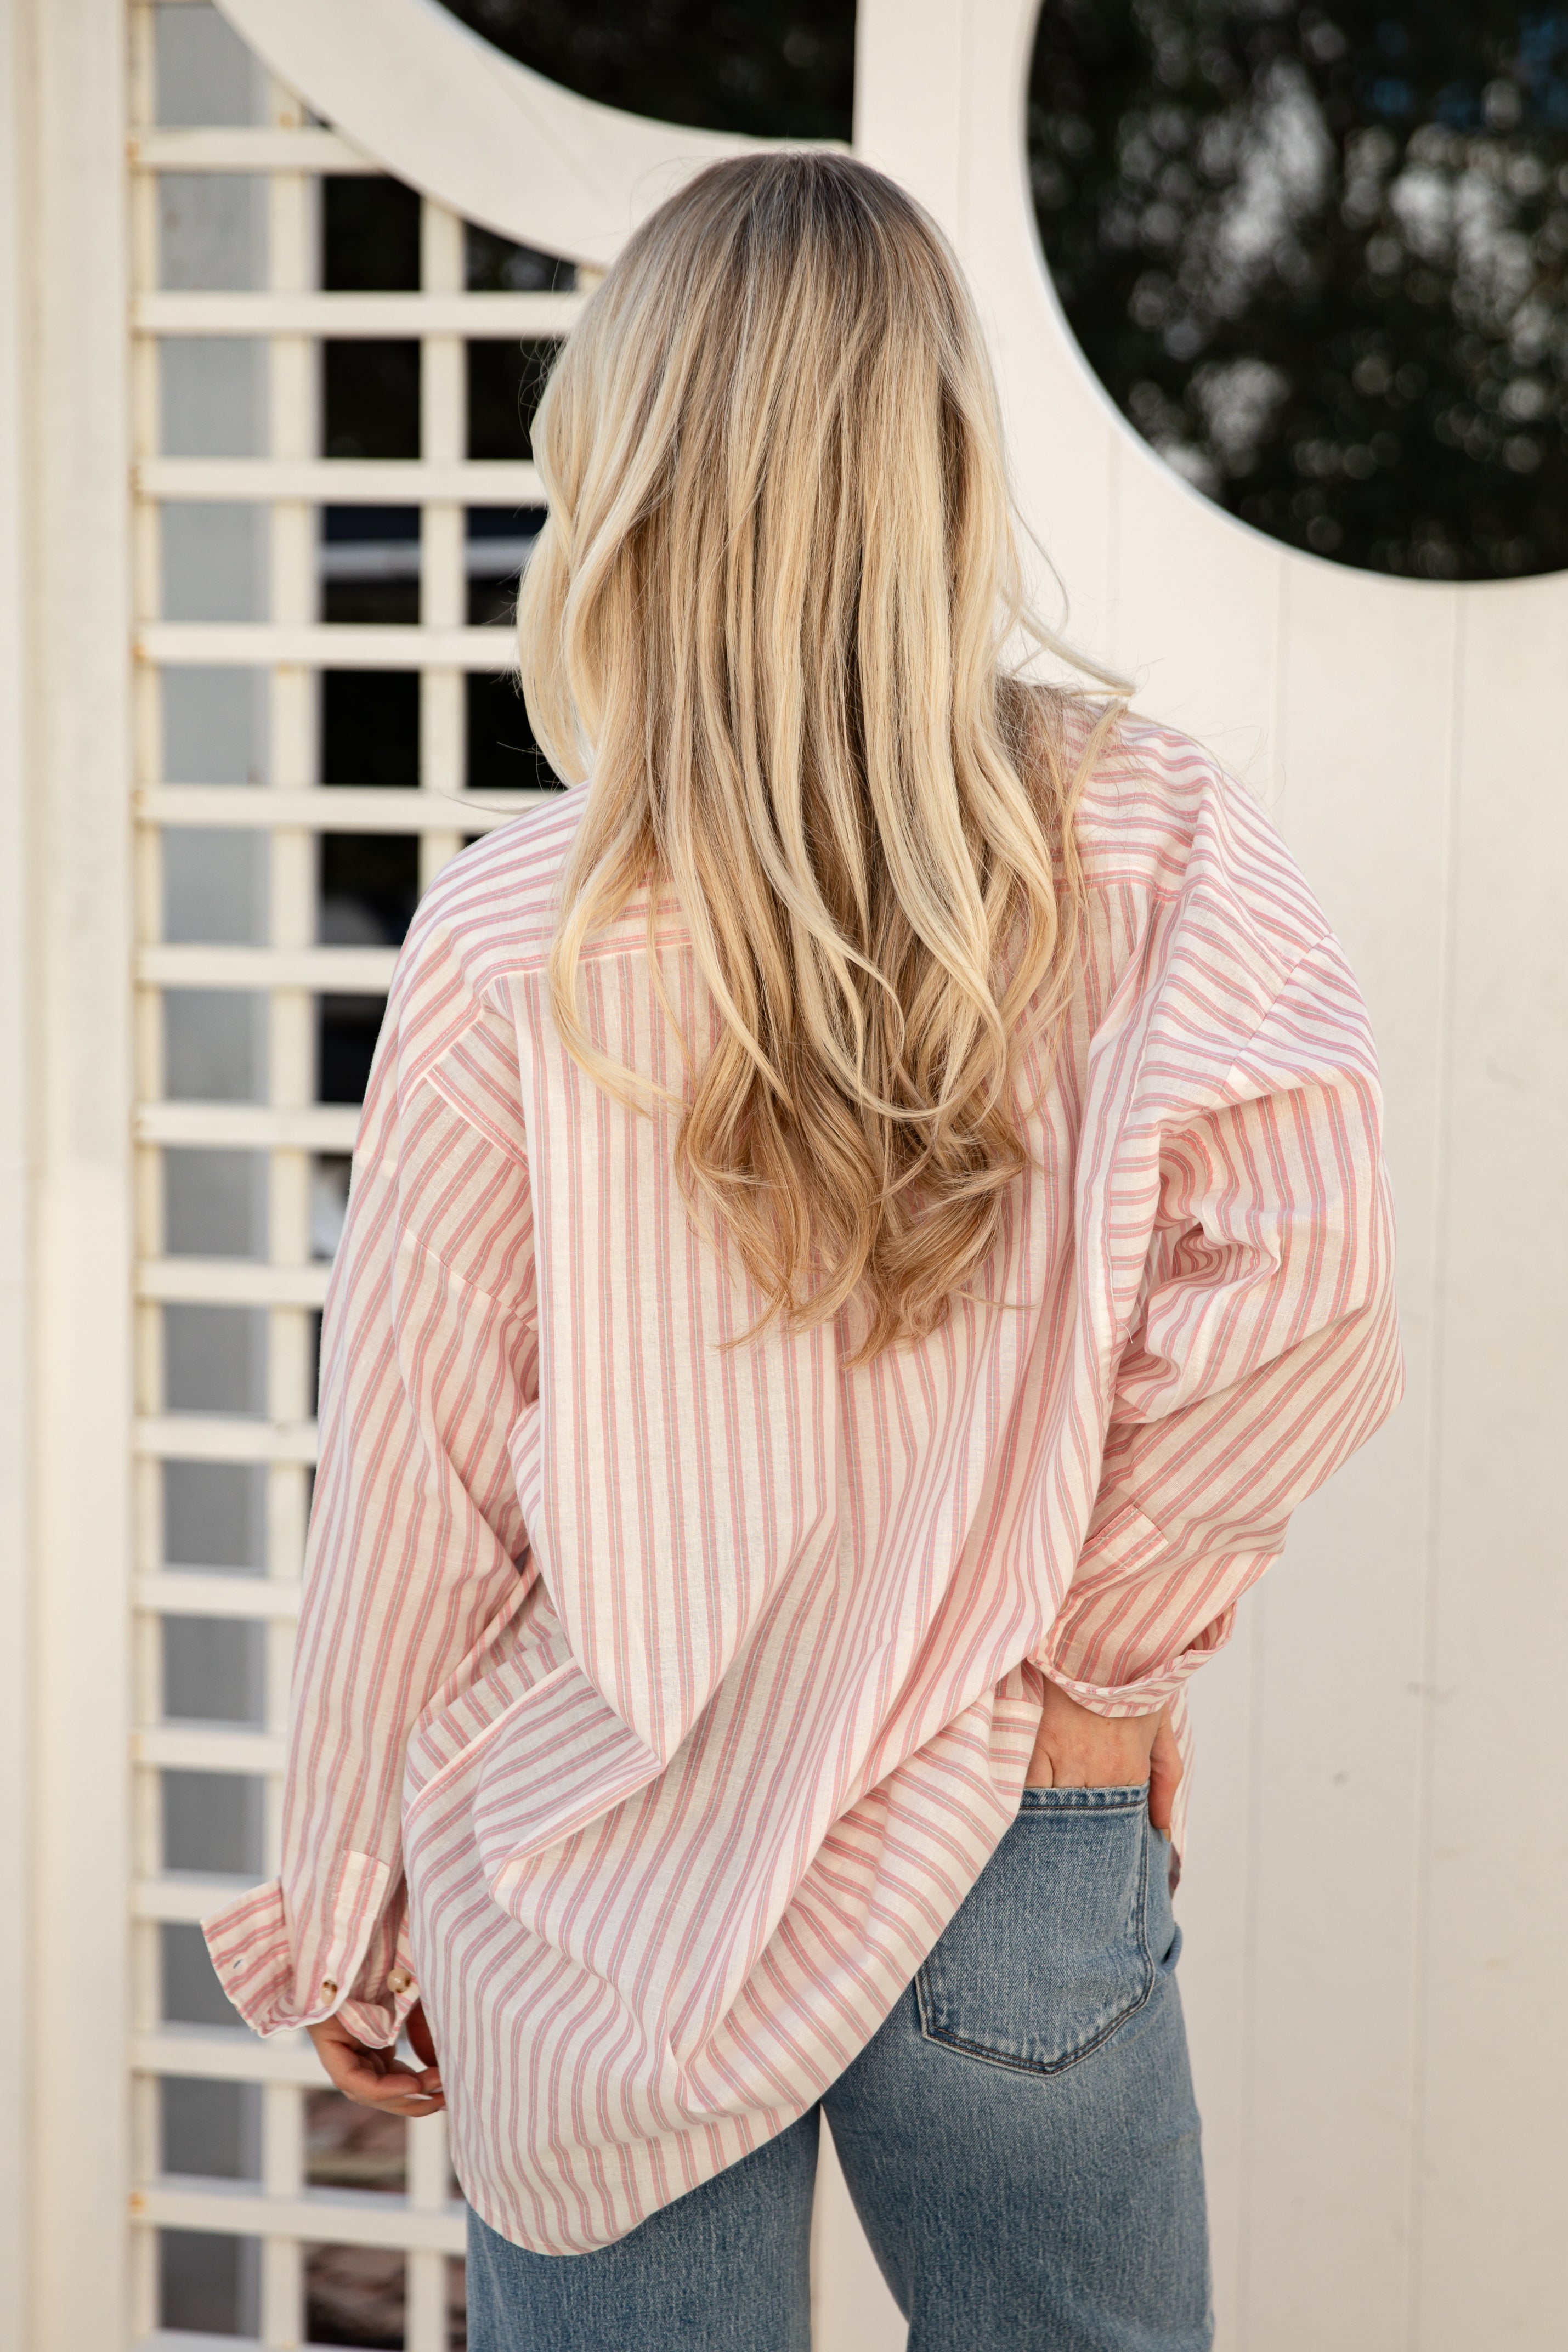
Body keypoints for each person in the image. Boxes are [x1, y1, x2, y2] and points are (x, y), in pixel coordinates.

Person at [204, 152, 1402, 2350]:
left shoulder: (513, 933)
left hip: (598, 1873)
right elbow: (1311, 1290)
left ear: (625, 477)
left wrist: (350, 1913)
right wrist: (1094, 1680)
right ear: (945, 459)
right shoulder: (1151, 835)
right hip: (1004, 1819)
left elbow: (415, 1492)